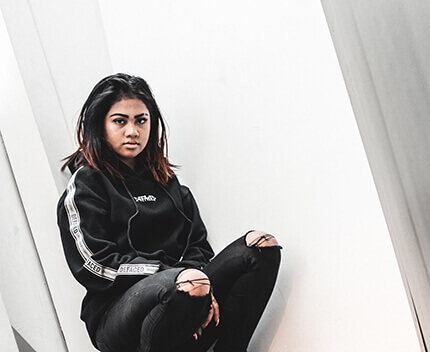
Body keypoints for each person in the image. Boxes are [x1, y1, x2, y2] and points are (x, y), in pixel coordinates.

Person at [57, 73, 281, 352]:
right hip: (115, 315)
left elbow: (199, 249)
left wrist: (196, 284)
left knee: (260, 247)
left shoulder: (170, 185)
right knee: (190, 282)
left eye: (141, 120)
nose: (132, 131)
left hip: (186, 293)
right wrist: (177, 276)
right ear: (100, 126)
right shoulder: (87, 184)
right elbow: (95, 266)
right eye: (119, 121)